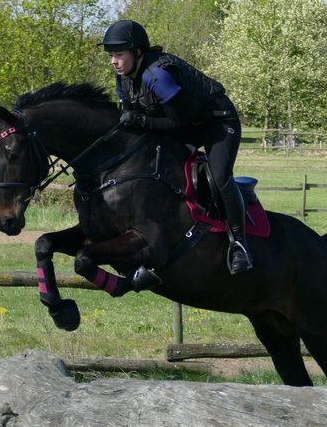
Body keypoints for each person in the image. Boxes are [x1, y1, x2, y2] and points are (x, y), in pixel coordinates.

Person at [101, 19, 253, 274]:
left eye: (118, 55)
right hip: (184, 125)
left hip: (216, 122)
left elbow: (176, 122)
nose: (113, 62)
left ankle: (240, 244)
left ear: (137, 52)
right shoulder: (124, 78)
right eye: (111, 56)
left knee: (219, 177)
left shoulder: (157, 75)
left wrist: (138, 119)